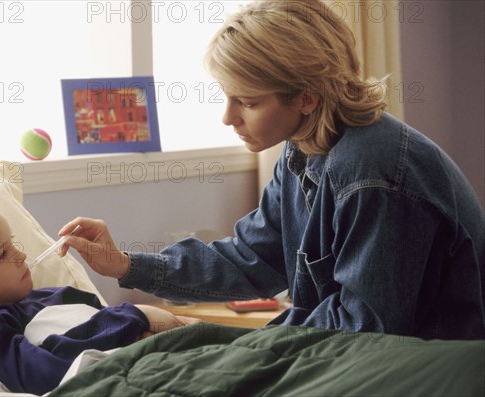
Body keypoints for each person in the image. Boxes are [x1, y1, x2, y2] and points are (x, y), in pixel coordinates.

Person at [58, 0, 484, 341]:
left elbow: (364, 329)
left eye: (248, 102)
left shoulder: (372, 174)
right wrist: (124, 264)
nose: (229, 118)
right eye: (228, 97)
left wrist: (226, 343)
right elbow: (251, 260)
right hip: (365, 353)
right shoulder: (305, 149)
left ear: (307, 98)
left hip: (432, 368)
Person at [0, 194, 198, 395]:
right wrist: (136, 316)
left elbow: (97, 314)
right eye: (1, 255)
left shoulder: (48, 295)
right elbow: (41, 374)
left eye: (12, 243)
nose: (20, 256)